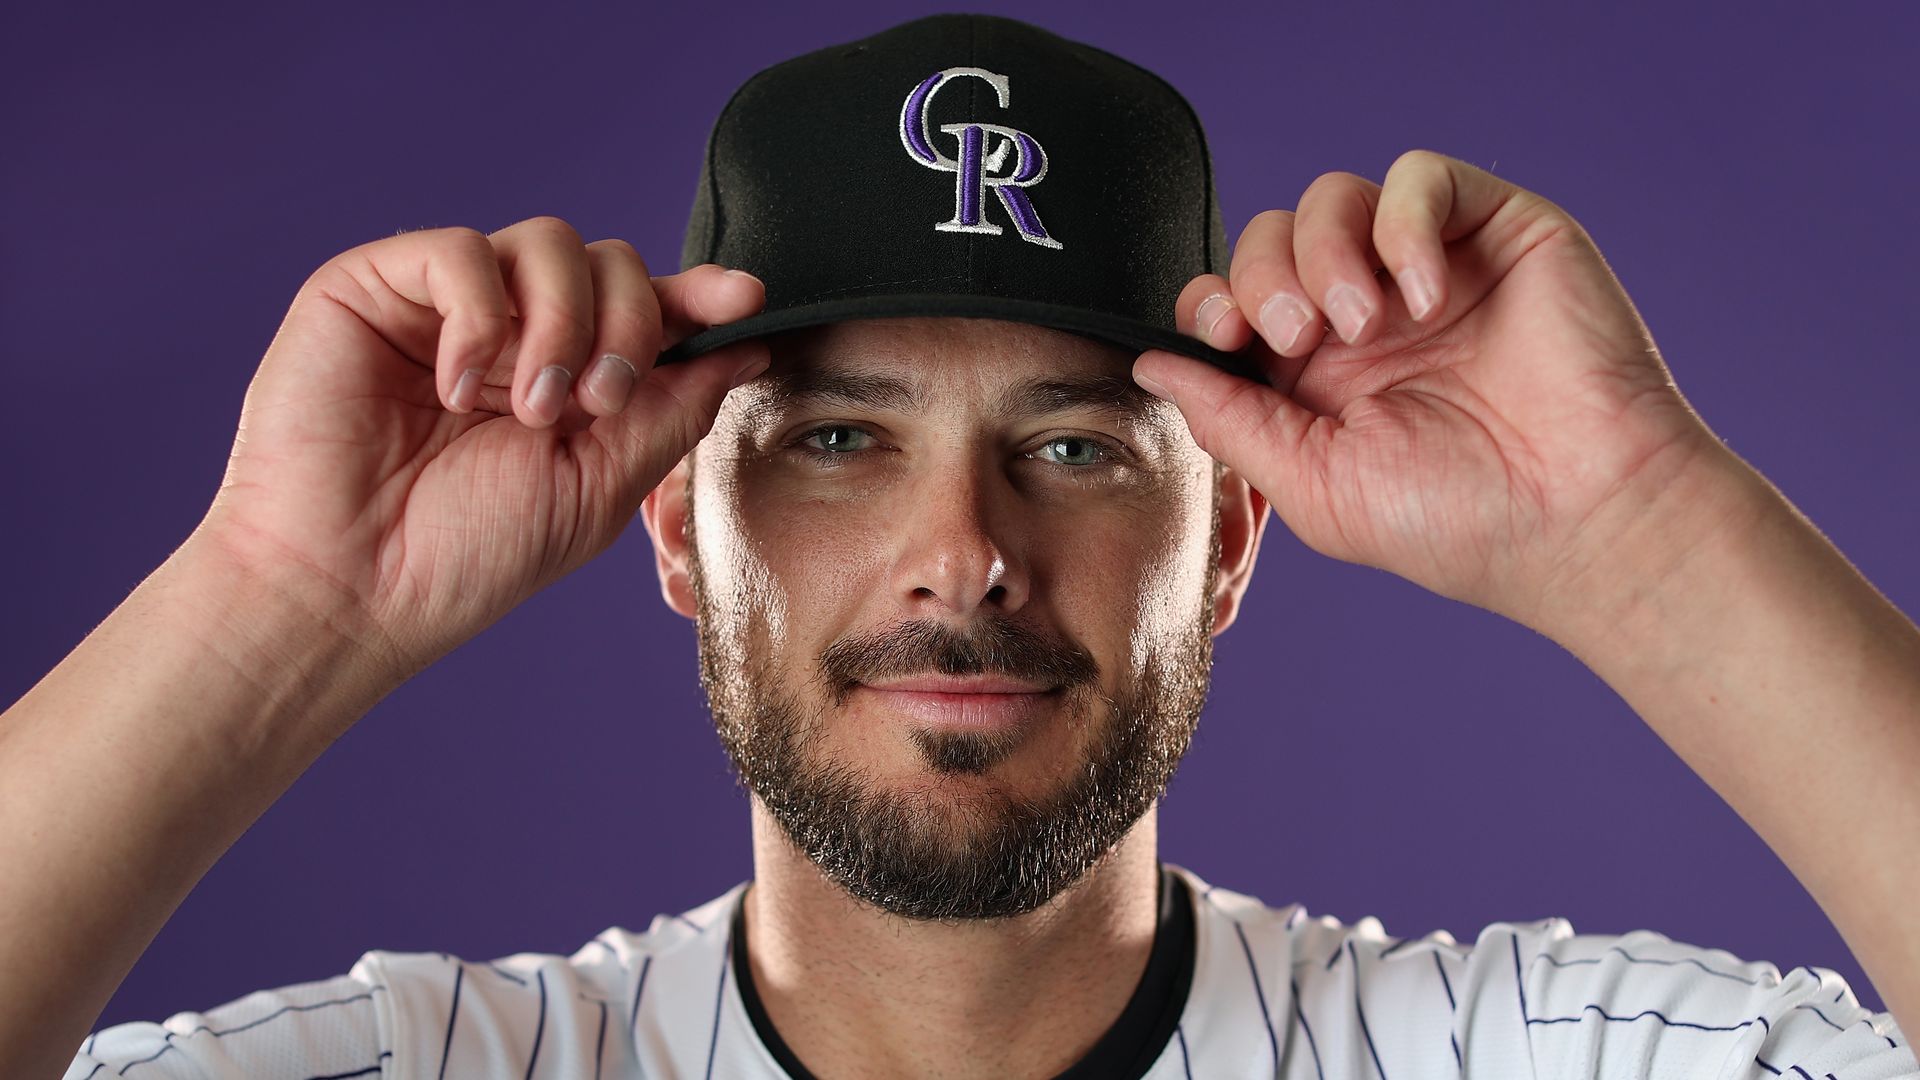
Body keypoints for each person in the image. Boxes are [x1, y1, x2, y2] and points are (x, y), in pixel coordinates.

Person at [5, 11, 1916, 1079]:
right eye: (838, 438)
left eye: (1075, 445)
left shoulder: (1515, 1059)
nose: (962, 553)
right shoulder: (443, 1072)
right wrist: (274, 605)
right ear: (680, 521)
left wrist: (1644, 531)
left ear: (1231, 533)